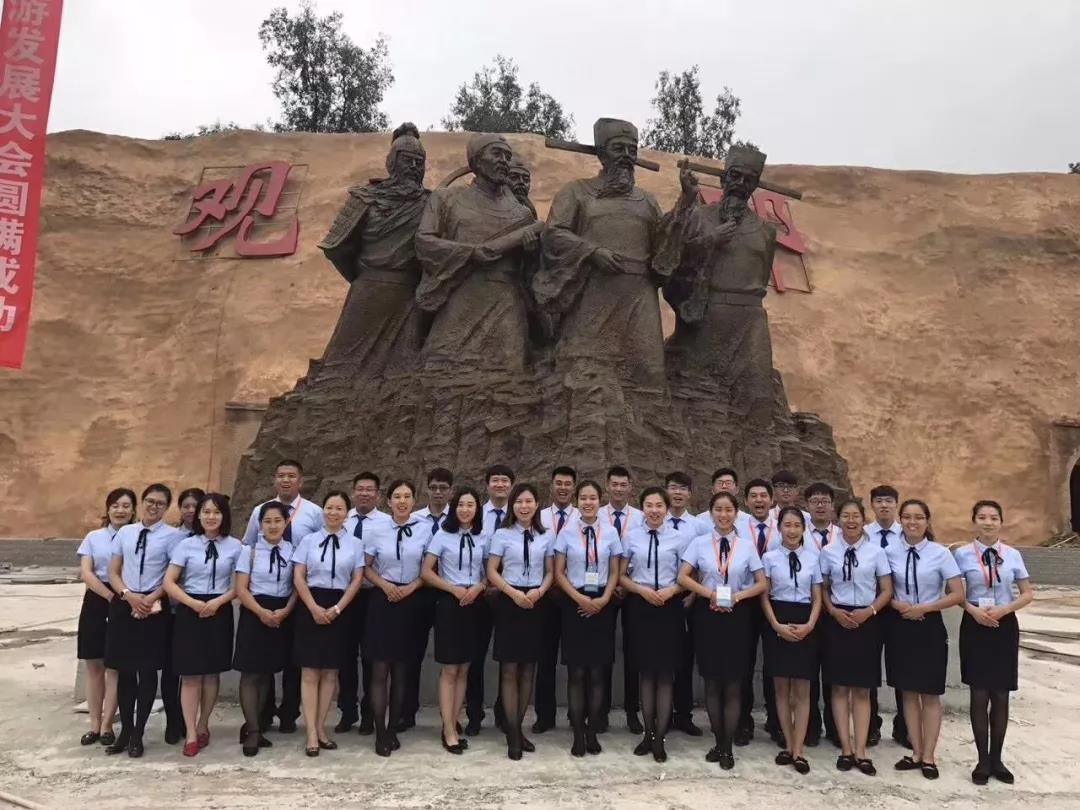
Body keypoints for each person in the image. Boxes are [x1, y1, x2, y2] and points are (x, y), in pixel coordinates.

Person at [535, 118, 670, 465]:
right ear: (601, 154)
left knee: (649, 372)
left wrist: (685, 206)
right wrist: (591, 251)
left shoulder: (647, 201)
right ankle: (584, 451)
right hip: (593, 296)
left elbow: (665, 247)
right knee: (587, 373)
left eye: (632, 150)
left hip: (639, 297)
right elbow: (553, 235)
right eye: (618, 149)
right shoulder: (577, 193)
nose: (626, 156)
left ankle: (650, 459)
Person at [316, 122, 430, 380]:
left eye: (419, 162)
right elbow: (336, 248)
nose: (414, 167)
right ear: (392, 162)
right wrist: (363, 277)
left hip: (410, 296)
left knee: (401, 372)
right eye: (408, 160)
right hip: (368, 291)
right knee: (341, 368)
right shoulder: (366, 198)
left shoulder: (430, 203)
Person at [678, 492, 767, 770]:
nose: (723, 515)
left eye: (728, 510)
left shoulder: (746, 545)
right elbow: (683, 576)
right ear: (711, 513)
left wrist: (738, 597)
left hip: (737, 617)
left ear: (736, 513)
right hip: (708, 615)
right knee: (712, 681)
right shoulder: (699, 543)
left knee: (733, 682)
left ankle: (728, 745)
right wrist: (710, 594)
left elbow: (761, 583)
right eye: (718, 509)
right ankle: (718, 741)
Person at [954, 500, 1034, 786]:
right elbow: (954, 592)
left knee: (1001, 694)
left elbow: (1027, 593)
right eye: (982, 517)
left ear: (1001, 522)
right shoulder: (962, 554)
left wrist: (1004, 609)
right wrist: (973, 610)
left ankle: (997, 759)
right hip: (975, 625)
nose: (988, 522)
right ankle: (982, 761)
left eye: (993, 517)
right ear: (974, 520)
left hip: (1004, 625)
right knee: (979, 694)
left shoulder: (1012, 555)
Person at [885, 499, 963, 780]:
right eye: (907, 517)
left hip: (929, 626)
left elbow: (957, 593)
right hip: (900, 625)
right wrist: (898, 605)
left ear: (927, 521)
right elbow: (883, 589)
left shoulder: (940, 554)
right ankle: (916, 752)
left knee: (930, 693)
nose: (912, 522)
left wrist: (925, 608)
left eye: (918, 517)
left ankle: (929, 755)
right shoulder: (889, 552)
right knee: (907, 692)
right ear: (900, 520)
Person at [243, 459, 323, 734]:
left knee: (293, 661)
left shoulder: (314, 513)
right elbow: (250, 543)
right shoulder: (260, 511)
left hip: (297, 595)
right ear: (274, 479)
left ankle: (289, 713)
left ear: (300, 481)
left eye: (291, 476)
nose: (286, 480)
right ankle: (261, 716)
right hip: (262, 596)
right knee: (262, 665)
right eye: (281, 475)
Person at [105, 484, 185, 757]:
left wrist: (148, 599)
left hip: (154, 608)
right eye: (150, 501)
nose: (154, 506)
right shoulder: (126, 533)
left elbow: (173, 577)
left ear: (166, 507)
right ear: (142, 502)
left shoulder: (173, 537)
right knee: (125, 671)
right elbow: (113, 571)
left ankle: (138, 733)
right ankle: (125, 730)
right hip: (125, 605)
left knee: (148, 671)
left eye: (160, 503)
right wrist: (128, 596)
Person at [163, 492, 243, 757]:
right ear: (198, 516)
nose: (211, 517)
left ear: (224, 516)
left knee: (211, 673)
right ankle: (190, 732)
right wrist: (192, 603)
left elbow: (240, 585)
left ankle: (203, 723)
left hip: (219, 610)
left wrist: (218, 602)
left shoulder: (235, 546)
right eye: (206, 512)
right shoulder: (186, 545)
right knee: (190, 675)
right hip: (190, 611)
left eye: (216, 512)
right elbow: (169, 582)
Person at [819, 499, 893, 776]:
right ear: (837, 520)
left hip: (867, 620)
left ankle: (861, 750)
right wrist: (833, 611)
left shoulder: (876, 552)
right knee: (839, 687)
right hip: (837, 621)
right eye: (846, 516)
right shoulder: (828, 551)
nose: (851, 521)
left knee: (862, 689)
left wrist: (869, 611)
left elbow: (886, 589)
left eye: (856, 516)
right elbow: (823, 587)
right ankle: (846, 748)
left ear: (864, 520)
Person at [292, 491, 366, 757]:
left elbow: (357, 579)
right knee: (310, 672)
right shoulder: (309, 540)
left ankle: (321, 727)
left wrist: (337, 609)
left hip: (340, 607)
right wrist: (313, 607)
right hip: (311, 604)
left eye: (339, 508)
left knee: (330, 673)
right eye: (329, 507)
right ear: (323, 510)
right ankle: (311, 732)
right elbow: (298, 576)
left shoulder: (355, 544)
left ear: (347, 513)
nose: (333, 513)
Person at [553, 479, 622, 756]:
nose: (588, 503)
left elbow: (615, 570)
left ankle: (593, 731)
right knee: (577, 672)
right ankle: (578, 734)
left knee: (597, 672)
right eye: (583, 498)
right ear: (577, 501)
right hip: (575, 603)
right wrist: (578, 599)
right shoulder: (567, 532)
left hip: (603, 604)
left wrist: (604, 599)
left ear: (599, 501)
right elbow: (559, 572)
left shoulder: (611, 532)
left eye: (593, 498)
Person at [620, 487, 688, 763]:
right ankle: (647, 733)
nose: (654, 510)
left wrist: (672, 590)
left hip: (669, 607)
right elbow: (620, 575)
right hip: (641, 606)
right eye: (649, 505)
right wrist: (640, 590)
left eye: (659, 505)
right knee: (646, 673)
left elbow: (688, 575)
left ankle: (660, 737)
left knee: (665, 674)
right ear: (643, 508)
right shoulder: (631, 536)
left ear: (666, 508)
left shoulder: (679, 538)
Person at [487, 482, 554, 760]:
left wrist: (539, 591)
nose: (524, 506)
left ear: (536, 505)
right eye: (519, 502)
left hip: (535, 602)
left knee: (528, 669)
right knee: (509, 669)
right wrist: (513, 593)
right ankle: (512, 732)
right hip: (509, 602)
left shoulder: (546, 535)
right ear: (512, 506)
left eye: (528, 501)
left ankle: (519, 728)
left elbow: (550, 571)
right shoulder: (502, 534)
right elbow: (492, 570)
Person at [421, 486, 488, 754]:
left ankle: (453, 720)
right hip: (450, 603)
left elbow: (490, 571)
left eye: (470, 505)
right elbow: (426, 572)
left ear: (477, 509)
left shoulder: (483, 536)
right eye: (460, 504)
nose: (465, 509)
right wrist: (452, 588)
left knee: (464, 668)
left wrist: (479, 587)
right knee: (450, 668)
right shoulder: (442, 535)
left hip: (474, 604)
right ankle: (448, 728)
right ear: (454, 508)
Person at [362, 480, 426, 756]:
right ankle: (379, 731)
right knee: (380, 669)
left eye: (407, 496)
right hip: (383, 600)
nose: (402, 501)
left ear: (414, 501)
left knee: (402, 670)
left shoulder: (424, 529)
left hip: (411, 602)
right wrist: (385, 586)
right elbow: (365, 567)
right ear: (388, 501)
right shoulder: (376, 529)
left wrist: (412, 587)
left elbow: (429, 568)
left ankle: (393, 728)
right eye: (397, 496)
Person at [760, 507, 822, 774]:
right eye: (787, 525)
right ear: (779, 528)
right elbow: (764, 595)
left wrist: (810, 625)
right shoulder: (769, 557)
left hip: (805, 620)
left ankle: (799, 749)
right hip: (778, 618)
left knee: (803, 690)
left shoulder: (814, 558)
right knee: (782, 689)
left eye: (797, 525)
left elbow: (818, 596)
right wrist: (775, 624)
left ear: (803, 529)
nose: (792, 530)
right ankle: (787, 743)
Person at [233, 500, 297, 757]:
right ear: (259, 525)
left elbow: (297, 586)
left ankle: (259, 722)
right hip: (254, 612)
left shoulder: (293, 551)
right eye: (267, 521)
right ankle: (252, 729)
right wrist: (261, 612)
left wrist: (285, 611)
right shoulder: (249, 551)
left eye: (277, 521)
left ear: (286, 523)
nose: (272, 526)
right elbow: (241, 588)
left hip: (281, 613)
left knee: (267, 672)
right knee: (251, 673)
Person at [76, 487, 135, 747]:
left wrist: (121, 597)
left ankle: (108, 725)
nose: (120, 510)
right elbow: (87, 573)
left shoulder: (135, 536)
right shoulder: (94, 537)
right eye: (115, 505)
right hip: (97, 600)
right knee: (94, 664)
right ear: (108, 509)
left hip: (125, 596)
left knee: (114, 666)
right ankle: (94, 724)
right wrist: (110, 596)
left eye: (126, 506)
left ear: (133, 510)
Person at [337, 472, 391, 735]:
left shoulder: (387, 523)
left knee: (372, 658)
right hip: (344, 595)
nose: (364, 493)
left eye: (370, 489)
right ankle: (347, 711)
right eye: (360, 489)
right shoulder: (340, 518)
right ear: (353, 491)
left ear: (378, 494)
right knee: (345, 656)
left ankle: (371, 714)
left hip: (373, 596)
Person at [465, 464, 515, 736]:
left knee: (509, 657)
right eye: (495, 480)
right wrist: (484, 583)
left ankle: (504, 711)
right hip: (479, 595)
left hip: (510, 595)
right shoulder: (475, 515)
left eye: (504, 480)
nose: (500, 485)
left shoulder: (519, 515)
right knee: (475, 657)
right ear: (487, 485)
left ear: (511, 485)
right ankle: (474, 713)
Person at [403, 467, 454, 731]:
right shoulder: (414, 520)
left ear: (451, 491)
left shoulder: (459, 518)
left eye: (443, 488)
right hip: (418, 592)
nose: (438, 493)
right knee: (412, 654)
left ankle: (455, 717)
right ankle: (407, 711)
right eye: (433, 487)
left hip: (451, 594)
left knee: (455, 659)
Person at [534, 465, 580, 733]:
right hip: (544, 596)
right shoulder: (538, 517)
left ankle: (577, 715)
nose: (563, 488)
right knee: (545, 658)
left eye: (567, 484)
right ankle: (544, 716)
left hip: (574, 595)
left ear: (574, 487)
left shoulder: (584, 517)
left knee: (576, 658)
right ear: (551, 486)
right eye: (558, 483)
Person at [598, 465, 644, 732]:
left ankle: (632, 710)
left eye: (623, 484)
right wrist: (611, 582)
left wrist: (626, 583)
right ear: (607, 486)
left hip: (632, 590)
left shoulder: (640, 517)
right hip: (603, 590)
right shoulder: (596, 514)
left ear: (630, 487)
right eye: (614, 484)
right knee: (603, 651)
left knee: (633, 652)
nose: (618, 489)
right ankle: (601, 709)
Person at [737, 477, 782, 744]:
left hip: (776, 600)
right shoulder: (738, 528)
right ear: (746, 501)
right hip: (745, 600)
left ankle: (775, 720)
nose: (759, 500)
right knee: (744, 662)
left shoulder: (783, 527)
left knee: (774, 663)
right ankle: (744, 721)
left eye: (763, 495)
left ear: (771, 499)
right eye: (753, 496)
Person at [162, 486, 204, 744]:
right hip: (174, 610)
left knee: (196, 671)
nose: (190, 511)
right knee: (172, 668)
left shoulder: (212, 538)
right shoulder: (173, 538)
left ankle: (195, 723)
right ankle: (172, 719)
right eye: (186, 506)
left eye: (195, 506)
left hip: (201, 610)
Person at [864, 483, 904, 747]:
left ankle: (904, 726)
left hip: (899, 609)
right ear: (872, 505)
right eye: (879, 501)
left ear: (896, 504)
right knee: (868, 669)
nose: (884, 505)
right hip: (869, 609)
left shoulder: (907, 532)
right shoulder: (864, 533)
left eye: (889, 500)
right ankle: (871, 725)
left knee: (902, 668)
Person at [664, 471, 703, 737]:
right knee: (662, 658)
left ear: (690, 493)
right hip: (661, 596)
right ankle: (663, 713)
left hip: (689, 598)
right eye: (673, 487)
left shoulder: (698, 526)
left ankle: (684, 714)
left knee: (685, 659)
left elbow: (705, 562)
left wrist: (693, 595)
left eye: (683, 488)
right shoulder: (655, 519)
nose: (677, 493)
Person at [803, 481, 840, 745]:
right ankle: (811, 727)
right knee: (808, 671)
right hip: (806, 607)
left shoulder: (843, 534)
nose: (820, 505)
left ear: (832, 506)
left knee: (834, 671)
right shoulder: (798, 532)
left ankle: (836, 727)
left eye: (825, 501)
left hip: (835, 609)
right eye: (815, 501)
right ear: (807, 505)